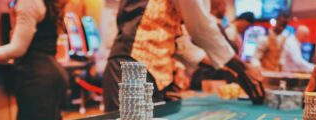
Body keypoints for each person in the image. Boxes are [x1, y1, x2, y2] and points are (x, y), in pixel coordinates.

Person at [102, 0, 265, 112]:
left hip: (154, 77)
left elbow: (180, 44)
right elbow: (200, 27)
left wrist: (229, 69)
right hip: (129, 67)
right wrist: (242, 67)